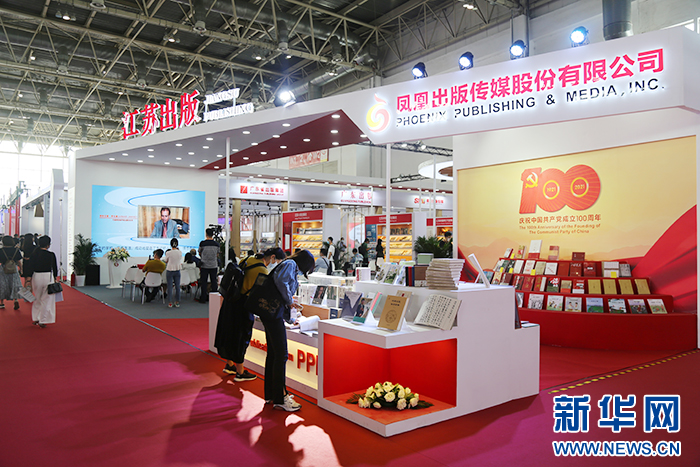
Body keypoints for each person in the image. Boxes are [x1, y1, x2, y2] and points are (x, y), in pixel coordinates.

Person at [258, 249, 315, 411]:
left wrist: (290, 302)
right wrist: (290, 301)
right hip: (273, 313)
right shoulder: (290, 264)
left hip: (269, 312)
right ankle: (280, 397)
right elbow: (282, 282)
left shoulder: (287, 264)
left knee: (274, 354)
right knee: (281, 354)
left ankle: (271, 394)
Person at [216, 252, 268, 380]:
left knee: (229, 332)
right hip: (243, 305)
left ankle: (230, 364)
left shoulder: (246, 260)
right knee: (241, 336)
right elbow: (262, 291)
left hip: (231, 300)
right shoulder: (262, 270)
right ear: (271, 258)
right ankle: (240, 372)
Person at [29, 235, 58, 327]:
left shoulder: (34, 254)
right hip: (48, 277)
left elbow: (30, 267)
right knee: (47, 299)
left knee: (37, 297)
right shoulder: (51, 255)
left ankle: (36, 318)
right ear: (48, 245)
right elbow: (55, 268)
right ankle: (43, 319)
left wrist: (29, 279)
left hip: (36, 276)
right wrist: (55, 278)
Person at [0, 235, 23, 311]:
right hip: (14, 269)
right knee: (15, 284)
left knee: (3, 285)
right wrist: (21, 269)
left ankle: (2, 303)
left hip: (3, 269)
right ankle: (16, 300)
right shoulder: (16, 250)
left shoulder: (1, 250)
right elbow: (19, 261)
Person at [198, 228, 219, 303]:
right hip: (213, 265)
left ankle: (203, 298)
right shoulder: (216, 244)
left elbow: (199, 252)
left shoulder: (202, 243)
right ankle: (214, 298)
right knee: (214, 281)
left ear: (206, 234)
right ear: (212, 234)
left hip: (204, 265)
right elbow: (217, 254)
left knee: (204, 282)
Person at [164, 238, 182, 308]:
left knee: (170, 287)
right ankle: (177, 302)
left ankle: (170, 302)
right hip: (177, 269)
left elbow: (166, 260)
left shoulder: (168, 253)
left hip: (170, 270)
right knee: (177, 286)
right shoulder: (179, 252)